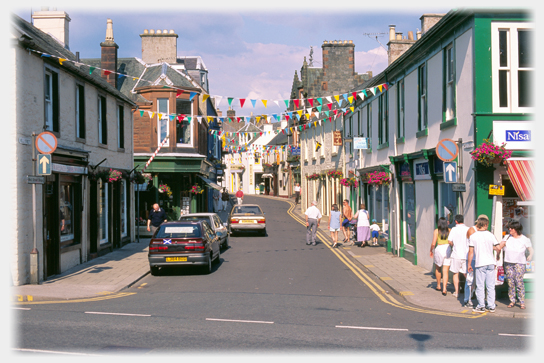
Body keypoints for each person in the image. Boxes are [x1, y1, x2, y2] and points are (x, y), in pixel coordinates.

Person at [468, 215, 502, 313]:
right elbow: (498, 247)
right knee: (491, 285)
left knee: (480, 285)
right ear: (486, 225)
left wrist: (469, 264)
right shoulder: (491, 235)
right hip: (491, 262)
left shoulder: (473, 236)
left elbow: (471, 252)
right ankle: (491, 305)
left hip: (480, 263)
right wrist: (498, 256)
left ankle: (481, 305)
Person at [497, 220, 534, 309]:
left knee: (519, 281)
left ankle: (522, 302)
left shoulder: (524, 239)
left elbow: (531, 249)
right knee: (510, 282)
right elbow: (499, 247)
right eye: (509, 227)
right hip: (508, 262)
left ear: (516, 229)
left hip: (519, 263)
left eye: (511, 228)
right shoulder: (507, 237)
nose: (509, 229)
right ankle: (512, 300)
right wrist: (497, 254)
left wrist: (530, 255)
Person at [447, 214, 470, 300]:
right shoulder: (468, 229)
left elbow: (450, 241)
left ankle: (457, 292)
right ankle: (471, 289)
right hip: (466, 255)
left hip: (456, 255)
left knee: (455, 273)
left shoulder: (454, 229)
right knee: (466, 273)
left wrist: (453, 244)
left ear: (456, 221)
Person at [430, 217, 451, 296]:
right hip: (447, 249)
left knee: (438, 268)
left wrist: (431, 251)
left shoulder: (436, 231)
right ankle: (444, 288)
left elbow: (433, 243)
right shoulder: (449, 231)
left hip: (439, 248)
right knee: (445, 270)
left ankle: (439, 285)